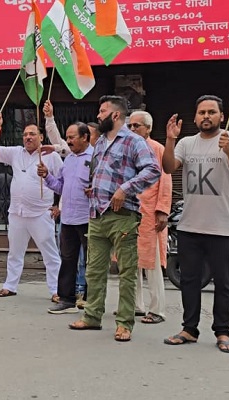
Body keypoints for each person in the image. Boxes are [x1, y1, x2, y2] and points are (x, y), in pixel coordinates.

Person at [69, 95, 160, 342]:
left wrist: (125, 189)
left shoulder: (134, 141)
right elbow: (98, 172)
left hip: (123, 216)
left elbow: (153, 170)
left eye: (102, 111)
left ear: (115, 115)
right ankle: (91, 316)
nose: (98, 116)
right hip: (97, 214)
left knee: (127, 271)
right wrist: (92, 188)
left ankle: (124, 323)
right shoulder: (99, 143)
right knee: (94, 270)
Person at [162, 95, 229, 353]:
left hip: (222, 227)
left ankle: (222, 332)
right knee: (190, 281)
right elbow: (168, 167)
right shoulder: (187, 143)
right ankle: (189, 329)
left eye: (211, 112)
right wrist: (170, 139)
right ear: (195, 117)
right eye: (201, 112)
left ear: (222, 115)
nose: (206, 116)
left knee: (222, 283)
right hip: (190, 226)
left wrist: (228, 151)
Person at [0, 116, 62, 300]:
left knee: (50, 254)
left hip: (41, 213)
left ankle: (56, 290)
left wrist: (59, 205)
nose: (28, 137)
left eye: (32, 134)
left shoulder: (51, 156)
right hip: (17, 212)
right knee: (15, 252)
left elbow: (63, 182)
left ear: (41, 137)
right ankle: (10, 285)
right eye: (25, 135)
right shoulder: (16, 152)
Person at [37, 122, 93, 313]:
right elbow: (60, 186)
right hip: (68, 218)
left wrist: (95, 190)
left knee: (91, 261)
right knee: (67, 260)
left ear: (85, 137)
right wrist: (46, 176)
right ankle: (67, 299)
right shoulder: (68, 160)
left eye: (72, 137)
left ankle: (91, 299)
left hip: (88, 218)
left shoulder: (95, 157)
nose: (68, 141)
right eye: (67, 138)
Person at [127, 111, 172, 324]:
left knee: (152, 264)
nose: (133, 129)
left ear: (149, 128)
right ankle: (136, 306)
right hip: (129, 212)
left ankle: (157, 309)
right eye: (131, 126)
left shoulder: (158, 149)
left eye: (138, 126)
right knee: (131, 262)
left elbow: (166, 181)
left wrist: (163, 210)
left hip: (151, 213)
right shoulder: (127, 149)